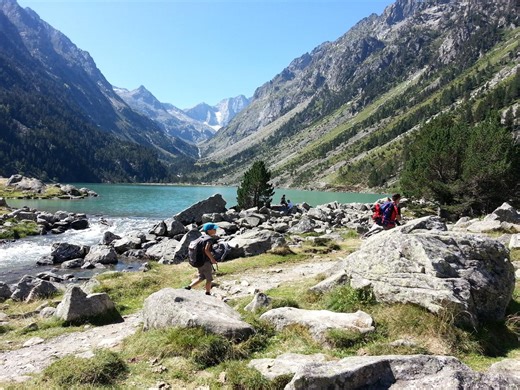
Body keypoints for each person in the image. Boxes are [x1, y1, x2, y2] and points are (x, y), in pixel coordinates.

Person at [184, 222, 219, 296]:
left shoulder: (201, 237)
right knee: (209, 279)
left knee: (201, 277)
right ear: (209, 231)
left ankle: (188, 287)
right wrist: (212, 259)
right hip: (205, 262)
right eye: (214, 229)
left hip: (198, 261)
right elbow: (206, 250)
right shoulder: (209, 239)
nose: (216, 230)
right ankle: (208, 293)